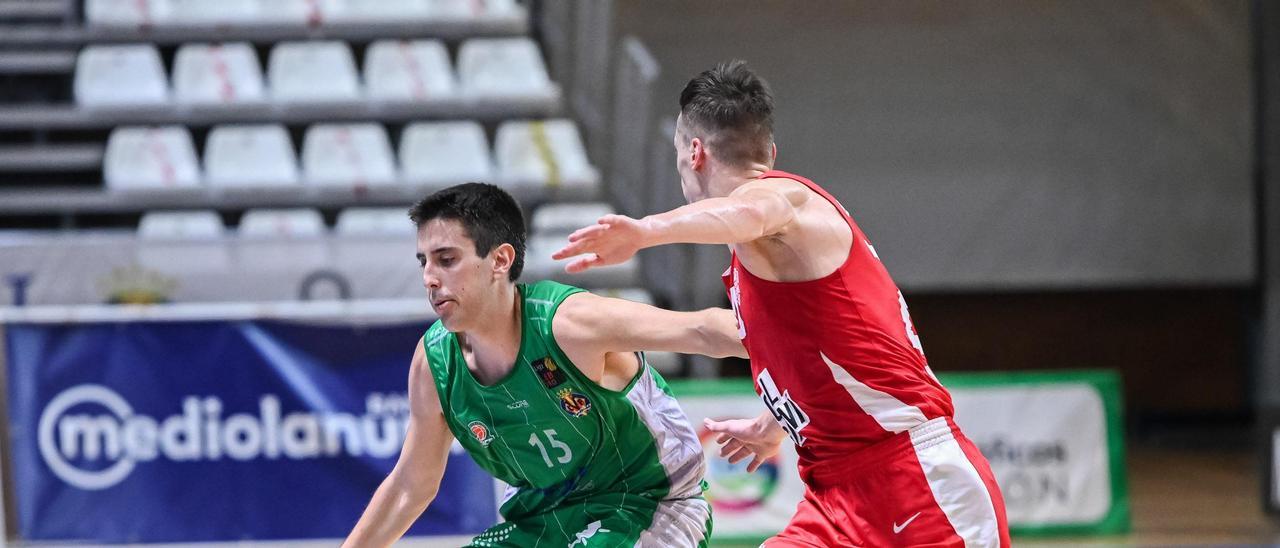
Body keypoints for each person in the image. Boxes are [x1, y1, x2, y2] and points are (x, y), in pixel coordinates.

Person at [553, 60, 1011, 547]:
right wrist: (777, 420)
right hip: (834, 497)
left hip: (919, 485)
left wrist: (646, 232)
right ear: (768, 149)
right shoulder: (766, 266)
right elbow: (812, 348)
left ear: (694, 152)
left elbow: (748, 212)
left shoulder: (784, 198)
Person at [342, 183, 745, 547]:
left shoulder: (569, 323)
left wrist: (802, 352)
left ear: (500, 260)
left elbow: (705, 330)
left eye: (446, 259)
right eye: (423, 262)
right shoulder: (434, 364)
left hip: (645, 503)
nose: (429, 277)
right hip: (543, 518)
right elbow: (411, 485)